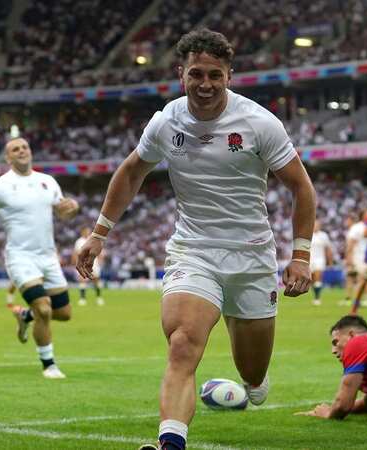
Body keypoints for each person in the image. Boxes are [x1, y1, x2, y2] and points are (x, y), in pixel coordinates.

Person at [75, 29, 316, 450]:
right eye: (196, 74)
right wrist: (99, 234)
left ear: (229, 75)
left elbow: (302, 188)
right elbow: (132, 171)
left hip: (252, 257)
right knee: (183, 342)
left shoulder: (259, 122)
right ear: (181, 74)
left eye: (215, 75)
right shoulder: (166, 121)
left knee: (254, 372)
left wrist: (301, 255)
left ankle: (253, 384)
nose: (205, 84)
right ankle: (171, 443)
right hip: (194, 249)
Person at [0, 137, 80, 379]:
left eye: (25, 147)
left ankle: (24, 315)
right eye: (15, 149)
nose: (21, 151)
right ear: (8, 158)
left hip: (48, 257)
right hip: (20, 257)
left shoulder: (47, 181)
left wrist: (71, 208)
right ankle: (49, 365)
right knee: (44, 309)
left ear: (30, 151)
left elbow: (62, 212)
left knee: (64, 313)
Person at [342, 212, 367, 310]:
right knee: (358, 277)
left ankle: (364, 299)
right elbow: (351, 243)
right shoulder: (358, 227)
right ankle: (359, 300)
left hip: (365, 256)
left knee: (364, 278)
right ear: (363, 216)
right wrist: (349, 258)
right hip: (359, 256)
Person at [72, 227, 105, 306]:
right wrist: (74, 262)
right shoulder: (79, 241)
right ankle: (82, 299)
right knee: (82, 279)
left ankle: (99, 297)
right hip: (82, 263)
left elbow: (99, 251)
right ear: (82, 232)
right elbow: (76, 253)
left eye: (88, 231)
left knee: (96, 280)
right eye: (86, 231)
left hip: (94, 262)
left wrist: (100, 260)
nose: (87, 232)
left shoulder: (93, 240)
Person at [310, 221, 334, 306]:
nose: (316, 226)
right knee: (312, 280)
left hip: (320, 259)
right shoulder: (308, 234)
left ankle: (317, 298)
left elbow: (328, 249)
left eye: (318, 225)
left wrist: (330, 261)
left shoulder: (324, 235)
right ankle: (316, 296)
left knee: (318, 277)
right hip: (310, 260)